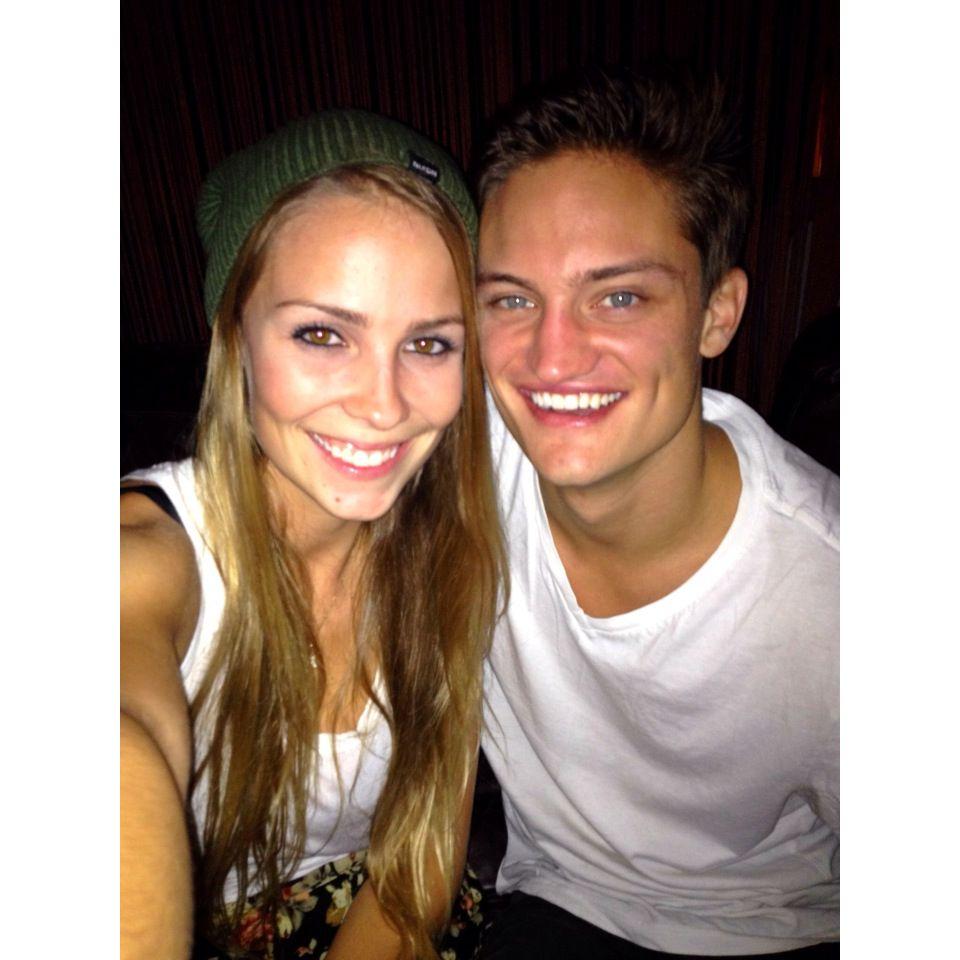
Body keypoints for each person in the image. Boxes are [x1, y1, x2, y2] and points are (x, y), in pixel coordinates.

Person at [120, 110, 505, 960]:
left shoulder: (450, 546)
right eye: (323, 334)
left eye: (430, 344)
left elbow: (421, 859)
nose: (383, 405)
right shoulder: (150, 559)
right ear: (234, 335)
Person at [474, 68, 839, 958]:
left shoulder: (842, 593)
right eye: (513, 298)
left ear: (717, 313)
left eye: (619, 296)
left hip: (767, 931)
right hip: (551, 901)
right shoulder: (454, 453)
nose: (552, 358)